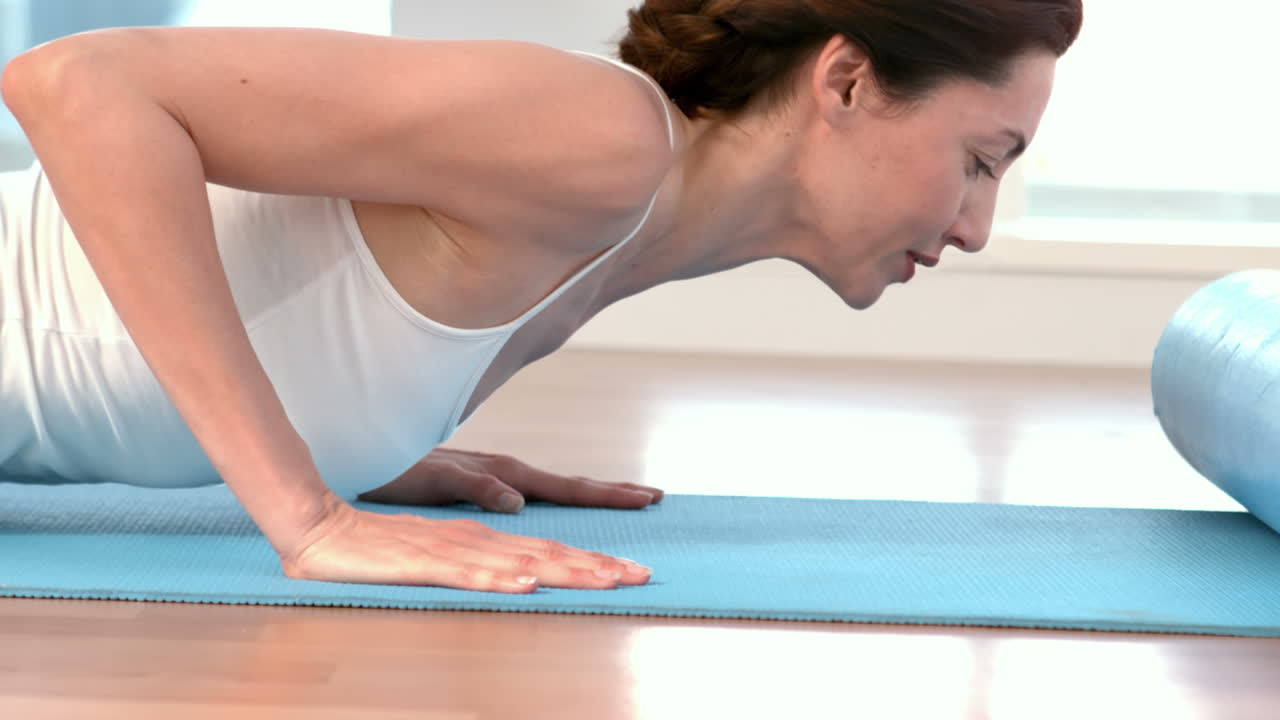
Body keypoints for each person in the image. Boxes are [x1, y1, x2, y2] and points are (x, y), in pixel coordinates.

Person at [0, 0, 1083, 594]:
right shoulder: (600, 140)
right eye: (982, 159)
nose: (973, 226)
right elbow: (78, 82)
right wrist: (307, 508)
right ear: (843, 81)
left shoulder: (640, 233)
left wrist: (359, 441)